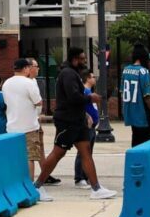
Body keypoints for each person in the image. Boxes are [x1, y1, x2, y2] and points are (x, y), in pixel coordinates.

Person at [31, 47, 116, 200]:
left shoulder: (72, 73)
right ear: (75, 59)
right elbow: (73, 97)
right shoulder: (68, 74)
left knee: (85, 151)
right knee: (58, 153)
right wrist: (91, 98)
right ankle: (36, 187)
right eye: (83, 58)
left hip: (77, 120)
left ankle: (96, 188)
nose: (85, 61)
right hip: (67, 121)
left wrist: (85, 114)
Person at [3, 58, 45, 182]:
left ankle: (16, 182)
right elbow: (38, 101)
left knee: (16, 157)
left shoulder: (6, 83)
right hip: (29, 126)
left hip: (11, 126)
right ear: (26, 69)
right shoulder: (29, 83)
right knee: (30, 157)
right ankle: (30, 184)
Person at [120, 44, 150, 146]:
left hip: (131, 113)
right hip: (142, 114)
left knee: (135, 139)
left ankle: (135, 161)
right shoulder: (143, 71)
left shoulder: (126, 70)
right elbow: (147, 96)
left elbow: (122, 92)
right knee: (146, 142)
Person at [72, 69, 101, 186]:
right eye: (93, 77)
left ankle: (86, 175)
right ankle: (79, 177)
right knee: (83, 152)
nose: (94, 79)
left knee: (89, 152)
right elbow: (80, 106)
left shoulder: (90, 91)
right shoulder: (85, 91)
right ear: (87, 78)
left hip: (92, 126)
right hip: (86, 126)